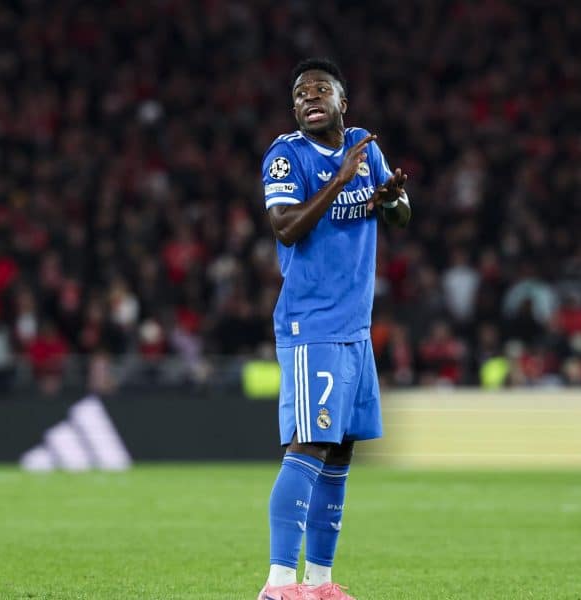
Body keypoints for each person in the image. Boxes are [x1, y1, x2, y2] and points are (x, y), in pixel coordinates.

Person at [256, 58, 411, 600]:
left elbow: (400, 214)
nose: (308, 97)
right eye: (300, 93)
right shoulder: (286, 156)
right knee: (310, 443)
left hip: (355, 329)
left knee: (341, 451)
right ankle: (278, 584)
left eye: (320, 89)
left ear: (343, 102)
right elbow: (286, 227)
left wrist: (391, 200)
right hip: (312, 323)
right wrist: (339, 181)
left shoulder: (365, 146)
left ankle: (319, 583)